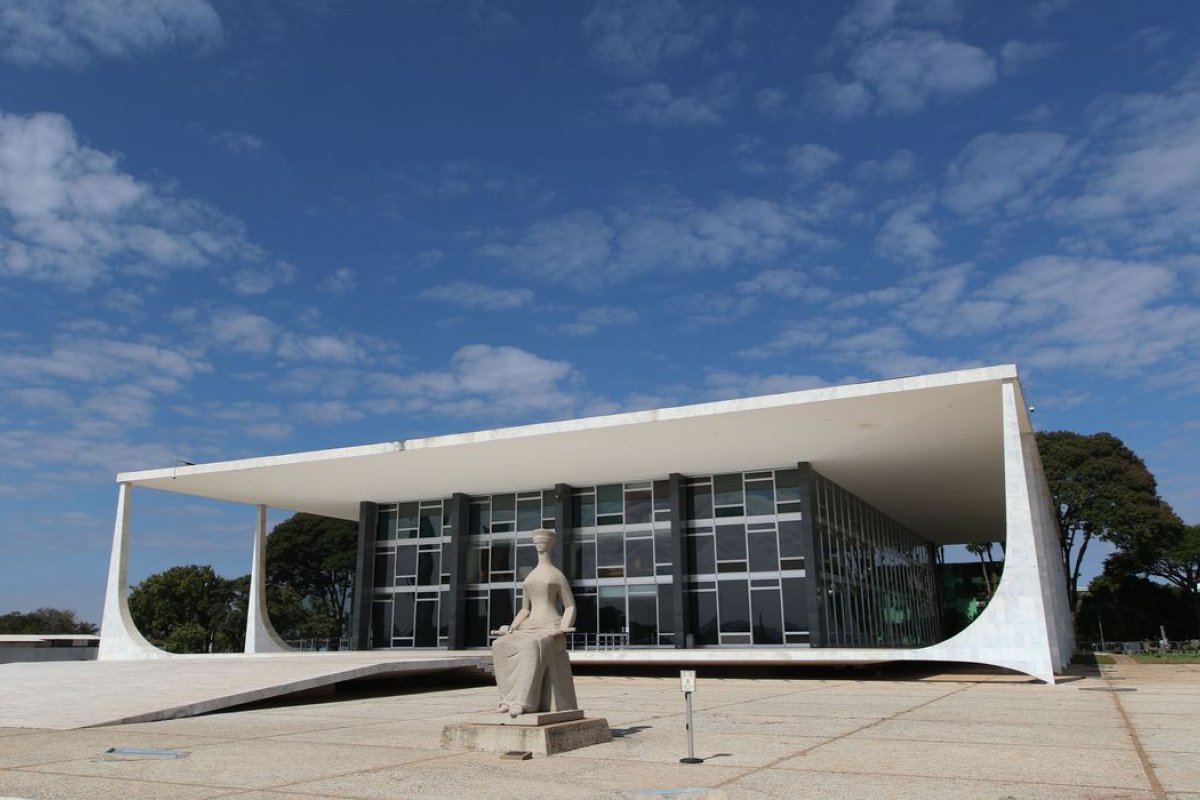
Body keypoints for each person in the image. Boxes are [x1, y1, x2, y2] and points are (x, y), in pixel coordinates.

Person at [491, 528, 577, 717]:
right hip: (528, 626)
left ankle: (524, 702)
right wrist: (512, 627)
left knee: (531, 646)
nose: (538, 544)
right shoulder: (530, 576)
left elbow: (570, 606)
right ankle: (507, 699)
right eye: (536, 541)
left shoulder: (556, 575)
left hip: (549, 628)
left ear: (550, 544)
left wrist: (563, 628)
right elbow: (525, 609)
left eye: (542, 541)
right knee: (499, 645)